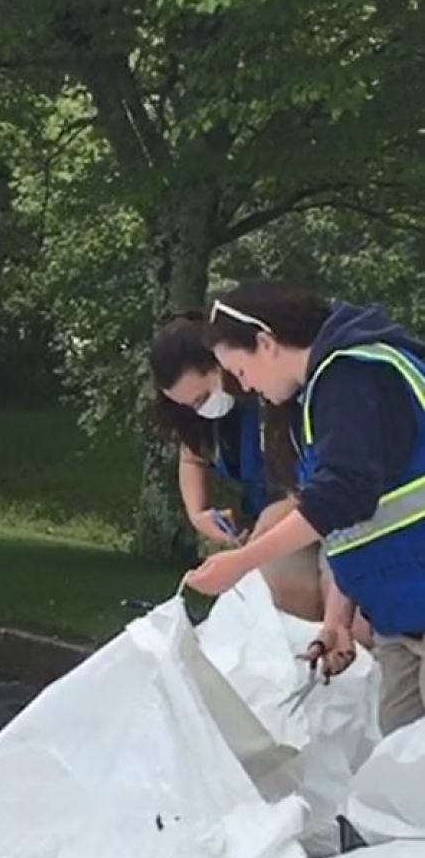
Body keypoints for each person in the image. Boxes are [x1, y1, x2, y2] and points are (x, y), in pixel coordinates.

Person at [185, 278, 425, 735]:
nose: (245, 386)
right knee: (402, 780)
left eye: (240, 370)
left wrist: (241, 561)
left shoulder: (353, 378)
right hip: (402, 621)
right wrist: (338, 618)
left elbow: (341, 496)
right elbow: (359, 521)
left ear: (265, 343)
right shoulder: (321, 395)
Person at [150, 311, 323, 621]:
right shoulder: (203, 418)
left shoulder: (277, 394)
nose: (200, 409)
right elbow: (192, 456)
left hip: (315, 519)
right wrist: (198, 513)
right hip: (259, 524)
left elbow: (317, 485)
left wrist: (264, 534)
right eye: (189, 405)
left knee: (281, 589)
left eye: (203, 397)